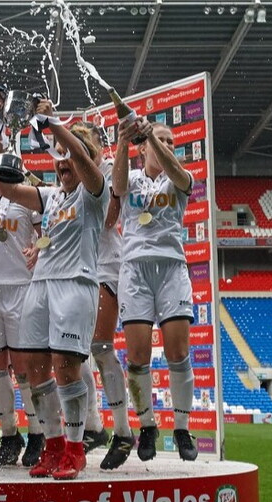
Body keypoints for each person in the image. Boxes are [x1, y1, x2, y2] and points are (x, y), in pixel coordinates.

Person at [0, 99, 109, 480]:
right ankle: (53, 444)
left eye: (69, 154)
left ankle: (75, 449)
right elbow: (6, 189)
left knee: (67, 369)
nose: (62, 161)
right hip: (40, 286)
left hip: (75, 285)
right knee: (34, 369)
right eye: (57, 156)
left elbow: (80, 155)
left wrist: (56, 124)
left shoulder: (95, 192)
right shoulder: (51, 196)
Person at [113, 116, 198, 463]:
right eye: (160, 140)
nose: (166, 145)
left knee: (178, 352)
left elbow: (177, 172)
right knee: (137, 356)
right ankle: (147, 425)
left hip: (171, 268)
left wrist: (156, 142)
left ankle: (182, 427)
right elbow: (117, 187)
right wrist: (123, 140)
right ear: (142, 149)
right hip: (134, 269)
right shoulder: (131, 179)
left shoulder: (180, 178)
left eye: (171, 141)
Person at [0, 169, 46, 467]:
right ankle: (9, 434)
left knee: (24, 367)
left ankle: (37, 432)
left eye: (5, 173)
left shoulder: (28, 200)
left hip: (20, 288)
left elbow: (48, 233)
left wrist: (39, 248)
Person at [79, 122, 133, 470]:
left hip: (104, 266)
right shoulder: (70, 174)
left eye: (87, 142)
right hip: (78, 268)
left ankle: (123, 431)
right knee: (76, 353)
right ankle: (94, 425)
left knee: (99, 347)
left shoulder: (110, 172)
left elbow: (109, 219)